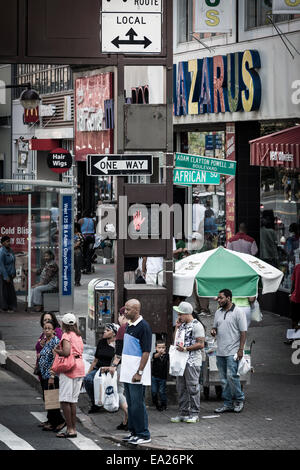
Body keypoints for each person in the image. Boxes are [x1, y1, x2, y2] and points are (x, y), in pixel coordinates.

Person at [120, 299, 152, 445]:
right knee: (131, 403)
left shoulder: (143, 327)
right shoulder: (128, 325)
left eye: (128, 310)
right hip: (128, 371)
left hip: (136, 373)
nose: (125, 312)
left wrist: (139, 372)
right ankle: (133, 432)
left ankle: (144, 434)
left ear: (136, 310)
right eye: (125, 309)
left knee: (138, 403)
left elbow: (146, 351)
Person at [210, 289, 247, 414]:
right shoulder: (218, 312)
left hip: (233, 350)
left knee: (232, 376)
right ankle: (227, 403)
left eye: (221, 298)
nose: (218, 300)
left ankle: (239, 400)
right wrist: (213, 331)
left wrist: (241, 349)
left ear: (229, 298)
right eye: (218, 298)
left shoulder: (238, 312)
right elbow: (215, 327)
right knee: (223, 380)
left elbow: (243, 332)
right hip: (220, 350)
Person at [51, 313, 85, 438]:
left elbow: (66, 352)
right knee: (73, 401)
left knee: (65, 400)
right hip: (80, 366)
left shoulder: (66, 335)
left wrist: (56, 350)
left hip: (69, 368)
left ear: (63, 324)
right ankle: (73, 428)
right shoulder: (78, 335)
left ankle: (70, 429)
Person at [170, 301, 205, 424]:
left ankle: (194, 413)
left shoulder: (197, 325)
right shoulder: (182, 325)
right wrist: (177, 327)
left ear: (186, 314)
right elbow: (175, 340)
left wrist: (186, 349)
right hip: (181, 361)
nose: (178, 316)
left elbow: (201, 344)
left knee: (193, 387)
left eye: (180, 314)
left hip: (192, 361)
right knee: (181, 387)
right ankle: (183, 412)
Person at [83, 323, 119, 414]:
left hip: (110, 371)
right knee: (88, 380)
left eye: (107, 330)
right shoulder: (101, 342)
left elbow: (116, 362)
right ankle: (96, 403)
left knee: (107, 384)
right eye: (105, 330)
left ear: (114, 333)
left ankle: (110, 403)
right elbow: (95, 360)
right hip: (99, 369)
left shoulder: (117, 345)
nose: (104, 331)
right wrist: (89, 372)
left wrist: (108, 368)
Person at [103, 307, 129, 431]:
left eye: (119, 315)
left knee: (119, 391)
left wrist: (113, 366)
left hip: (122, 366)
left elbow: (118, 354)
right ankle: (126, 420)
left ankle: (128, 415)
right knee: (125, 392)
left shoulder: (122, 330)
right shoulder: (133, 327)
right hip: (132, 365)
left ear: (122, 316)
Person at [38, 319, 65, 432]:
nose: (47, 330)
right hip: (44, 374)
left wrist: (51, 376)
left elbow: (55, 359)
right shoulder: (46, 341)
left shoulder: (55, 342)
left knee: (52, 399)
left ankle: (59, 421)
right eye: (45, 328)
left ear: (54, 330)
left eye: (49, 328)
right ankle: (52, 421)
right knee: (48, 399)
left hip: (51, 375)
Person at [35, 312, 63, 384]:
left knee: (51, 394)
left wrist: (52, 376)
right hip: (43, 371)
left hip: (50, 373)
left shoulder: (56, 335)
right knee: (46, 393)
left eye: (49, 319)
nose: (47, 321)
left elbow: (56, 357)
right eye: (45, 320)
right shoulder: (44, 333)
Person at [0, 236, 17, 312]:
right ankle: (4, 307)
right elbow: (1, 265)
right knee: (4, 292)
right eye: (7, 241)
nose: (9, 243)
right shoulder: (1, 251)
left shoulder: (11, 251)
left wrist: (14, 272)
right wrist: (5, 276)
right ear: (3, 243)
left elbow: (13, 262)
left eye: (9, 241)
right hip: (3, 275)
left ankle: (11, 306)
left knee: (11, 291)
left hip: (10, 274)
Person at [285, 262, 300, 345]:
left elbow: (293, 283)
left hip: (295, 297)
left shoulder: (297, 267)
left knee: (294, 319)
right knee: (294, 319)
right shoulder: (297, 267)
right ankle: (292, 338)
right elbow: (294, 283)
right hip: (295, 297)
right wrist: (291, 294)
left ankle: (293, 338)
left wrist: (291, 294)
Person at [151, 340, 169, 411]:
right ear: (156, 348)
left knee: (162, 392)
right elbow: (156, 356)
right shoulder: (154, 354)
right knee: (154, 391)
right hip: (154, 377)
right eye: (159, 347)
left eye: (163, 347)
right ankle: (156, 404)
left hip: (163, 377)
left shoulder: (167, 355)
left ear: (165, 348)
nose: (161, 349)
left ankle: (164, 404)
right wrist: (160, 353)